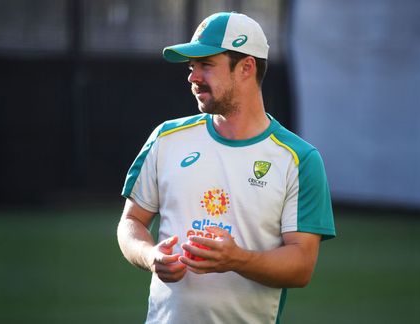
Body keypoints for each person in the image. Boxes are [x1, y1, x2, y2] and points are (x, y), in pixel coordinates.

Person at [117, 11, 336, 324]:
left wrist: (237, 259)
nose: (193, 77)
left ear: (246, 67)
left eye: (206, 65)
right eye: (192, 67)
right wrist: (151, 257)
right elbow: (131, 222)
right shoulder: (166, 138)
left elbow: (301, 265)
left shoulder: (299, 159)